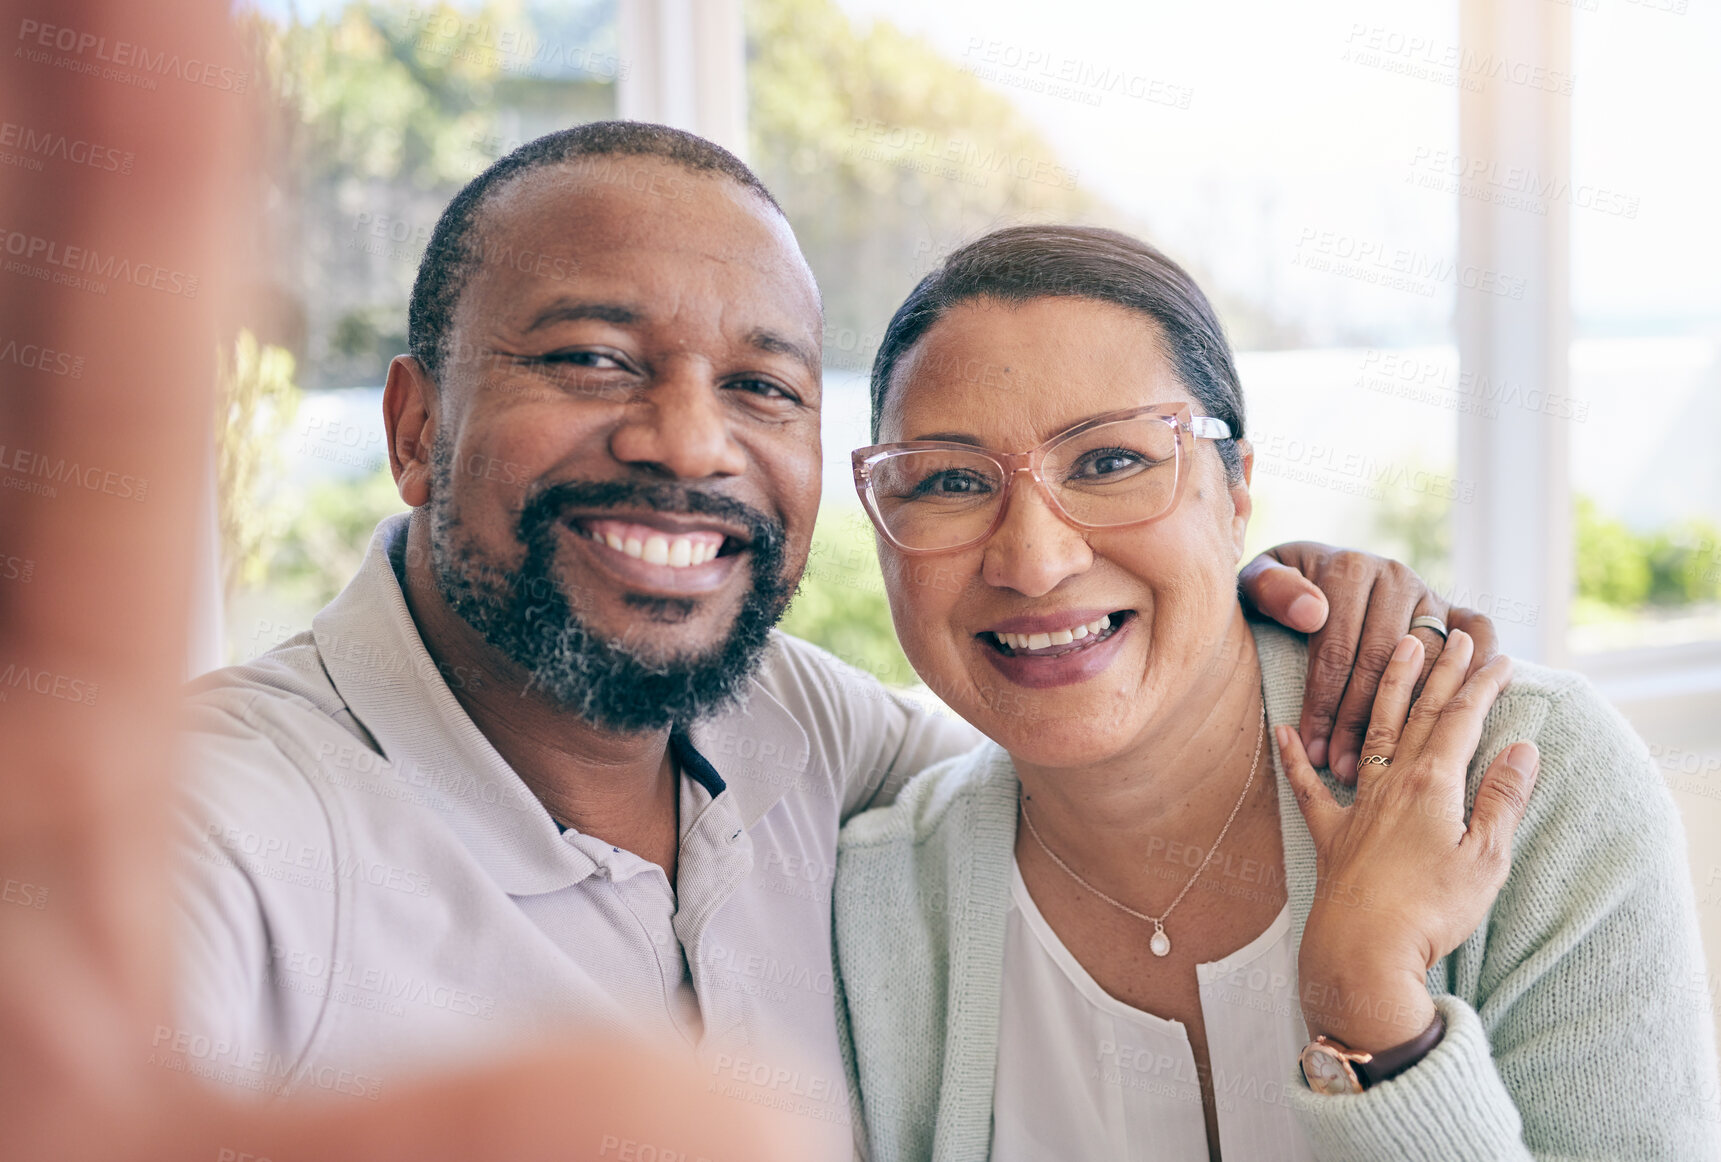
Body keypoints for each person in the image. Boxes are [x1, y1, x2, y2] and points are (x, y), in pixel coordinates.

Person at [172, 124, 1493, 1159]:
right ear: (415, 429)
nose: (689, 442)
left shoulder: (795, 729)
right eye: (589, 357)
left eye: (761, 386)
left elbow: (1072, 725)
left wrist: (1274, 611)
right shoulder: (208, 817)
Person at [834, 225, 1721, 1160]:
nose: (1033, 559)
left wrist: (1376, 1017)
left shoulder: (1524, 780)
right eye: (950, 481)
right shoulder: (874, 903)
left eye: (1109, 461)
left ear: (1237, 489)